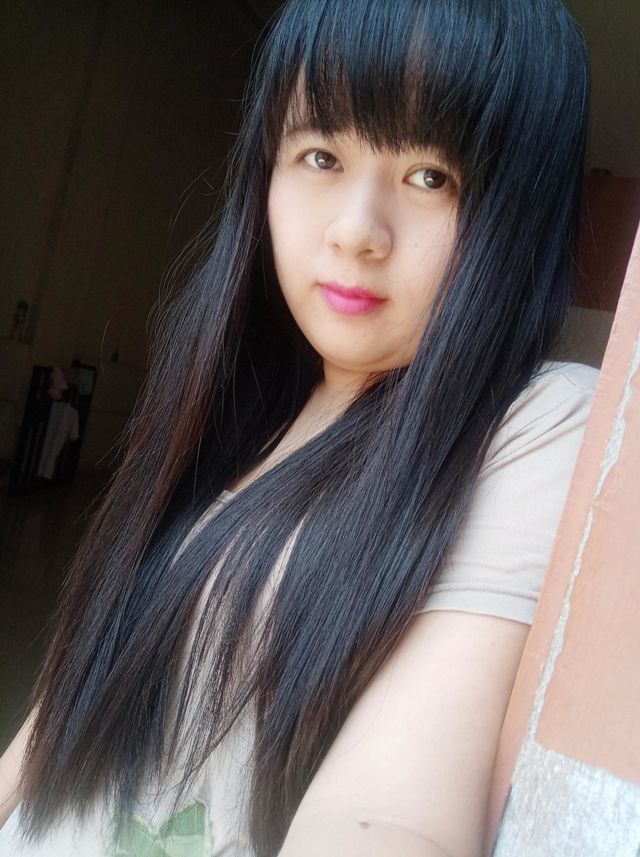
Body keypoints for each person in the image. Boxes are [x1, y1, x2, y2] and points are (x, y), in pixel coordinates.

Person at [0, 0, 598, 855]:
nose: (356, 232)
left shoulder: (535, 423)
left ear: (519, 212)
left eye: (432, 176)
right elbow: (61, 707)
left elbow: (391, 816)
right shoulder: (229, 399)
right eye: (321, 155)